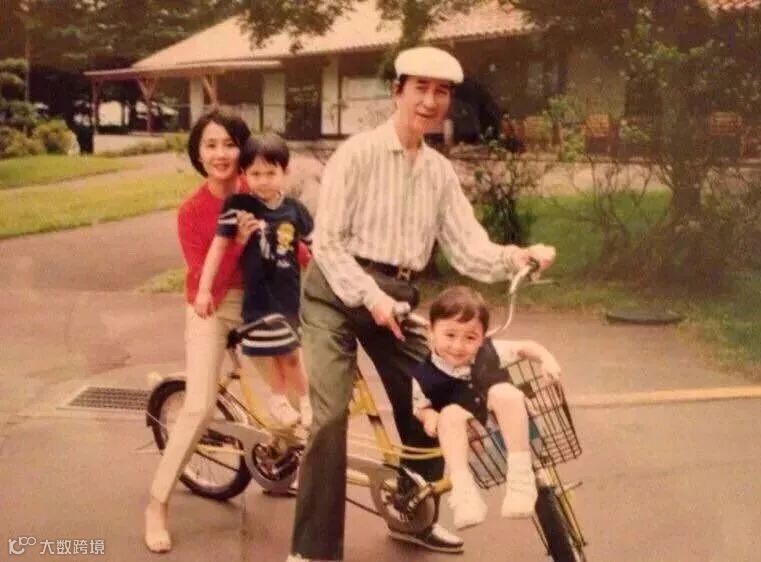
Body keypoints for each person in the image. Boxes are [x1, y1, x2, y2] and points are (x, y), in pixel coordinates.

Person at [287, 45, 556, 562]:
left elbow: (467, 247)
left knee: (438, 391)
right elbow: (328, 244)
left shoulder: (437, 172)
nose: (430, 102)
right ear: (397, 92)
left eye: (442, 92)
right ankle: (312, 551)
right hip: (335, 292)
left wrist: (517, 257)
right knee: (330, 415)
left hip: (397, 297)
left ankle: (414, 514)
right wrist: (371, 297)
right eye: (420, 89)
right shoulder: (357, 154)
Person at [144, 109, 259, 554]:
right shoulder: (192, 212)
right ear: (197, 152)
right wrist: (240, 244)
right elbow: (208, 278)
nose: (220, 154)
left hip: (257, 304)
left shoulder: (256, 190)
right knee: (199, 407)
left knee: (292, 394)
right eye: (210, 145)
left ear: (243, 148)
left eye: (230, 144)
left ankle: (277, 465)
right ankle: (157, 503)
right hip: (209, 305)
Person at [411, 285, 561, 529]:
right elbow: (421, 407)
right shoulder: (423, 375)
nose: (458, 346)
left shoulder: (489, 352)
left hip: (521, 439)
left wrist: (546, 359)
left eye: (470, 338)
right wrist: (429, 418)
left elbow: (526, 347)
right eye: (450, 335)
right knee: (449, 414)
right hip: (477, 453)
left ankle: (520, 480)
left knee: (504, 392)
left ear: (482, 338)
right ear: (430, 332)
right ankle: (464, 493)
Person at [194, 132, 314, 428]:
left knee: (291, 356)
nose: (263, 181)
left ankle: (307, 400)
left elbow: (316, 251)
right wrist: (204, 290)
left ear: (285, 172)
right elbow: (218, 248)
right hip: (258, 300)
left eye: (270, 173)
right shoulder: (238, 206)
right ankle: (278, 398)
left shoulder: (295, 210)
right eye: (255, 174)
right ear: (244, 174)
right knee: (268, 354)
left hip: (289, 299)